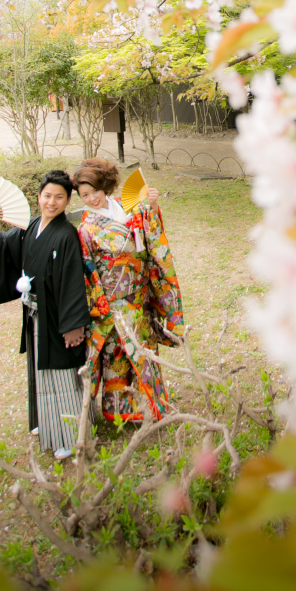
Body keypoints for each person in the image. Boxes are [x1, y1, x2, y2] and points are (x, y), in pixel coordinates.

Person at [0, 169, 90, 458]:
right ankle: (47, 424)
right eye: (47, 196)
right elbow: (3, 249)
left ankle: (68, 435)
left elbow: (73, 280)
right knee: (40, 371)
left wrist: (74, 325)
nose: (52, 202)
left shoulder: (66, 235)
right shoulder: (31, 226)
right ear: (38, 197)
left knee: (61, 372)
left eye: (59, 197)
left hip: (58, 314)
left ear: (67, 200)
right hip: (34, 311)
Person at [72, 158, 184, 425]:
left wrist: (152, 205)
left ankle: (156, 407)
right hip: (112, 300)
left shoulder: (125, 205)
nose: (91, 199)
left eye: (95, 192)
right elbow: (88, 269)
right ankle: (119, 410)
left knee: (144, 352)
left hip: (138, 295)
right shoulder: (86, 228)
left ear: (105, 186)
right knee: (116, 353)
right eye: (84, 195)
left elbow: (149, 230)